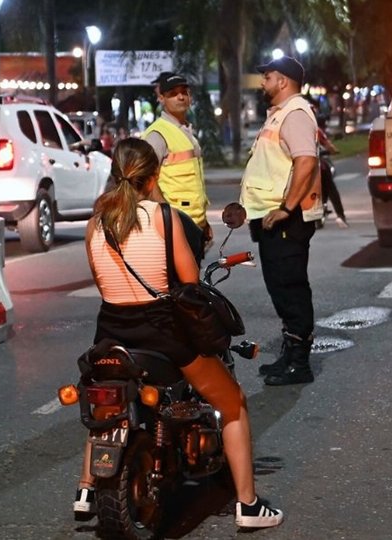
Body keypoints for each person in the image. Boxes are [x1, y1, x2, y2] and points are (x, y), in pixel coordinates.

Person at [73, 137, 284, 529]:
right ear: (153, 177)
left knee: (105, 405)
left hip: (111, 331)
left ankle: (86, 491)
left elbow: (103, 283)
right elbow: (188, 285)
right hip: (162, 333)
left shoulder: (95, 223)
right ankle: (249, 505)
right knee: (233, 402)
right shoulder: (165, 217)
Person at [239, 56, 323, 386]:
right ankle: (289, 355)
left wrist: (287, 208)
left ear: (284, 81)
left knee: (291, 287)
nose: (263, 82)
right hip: (271, 218)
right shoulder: (279, 115)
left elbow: (305, 162)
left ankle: (299, 364)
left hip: (287, 219)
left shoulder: (295, 114)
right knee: (280, 287)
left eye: (268, 76)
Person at [142, 73, 212, 265]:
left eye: (184, 92)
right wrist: (166, 217)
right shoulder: (157, 134)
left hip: (193, 224)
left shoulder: (187, 132)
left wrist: (203, 223)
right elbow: (145, 179)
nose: (181, 97)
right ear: (162, 98)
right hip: (174, 226)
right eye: (173, 93)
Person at [317, 123, 348, 228]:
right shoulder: (315, 130)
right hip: (317, 166)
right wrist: (334, 151)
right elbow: (328, 145)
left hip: (300, 168)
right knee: (331, 190)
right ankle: (340, 215)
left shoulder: (292, 129)